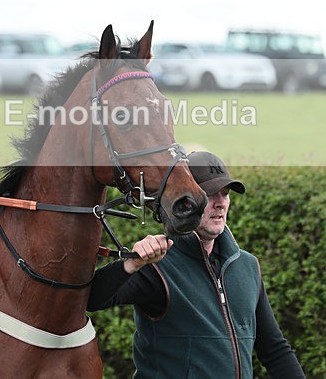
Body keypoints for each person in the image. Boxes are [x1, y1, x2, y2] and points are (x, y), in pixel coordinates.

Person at [88, 151, 304, 378]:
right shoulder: (157, 266)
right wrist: (131, 264)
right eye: (210, 194)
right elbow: (91, 299)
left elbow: (275, 349)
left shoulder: (247, 266)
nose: (220, 203)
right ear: (184, 200)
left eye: (226, 194)